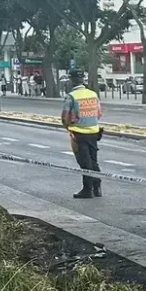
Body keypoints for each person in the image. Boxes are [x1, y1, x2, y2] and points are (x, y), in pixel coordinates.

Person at [62, 69, 104, 199]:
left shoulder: (71, 96)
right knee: (93, 161)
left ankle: (87, 190)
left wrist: (68, 127)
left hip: (79, 133)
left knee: (84, 163)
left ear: (71, 80)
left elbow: (64, 116)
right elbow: (99, 113)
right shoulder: (93, 94)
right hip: (94, 131)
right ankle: (97, 187)